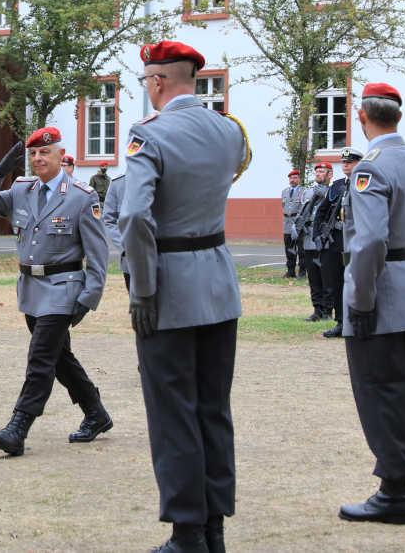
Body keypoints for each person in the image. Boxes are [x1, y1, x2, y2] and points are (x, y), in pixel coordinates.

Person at [120, 41, 248, 553]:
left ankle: (187, 533)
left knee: (173, 411)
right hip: (217, 281)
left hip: (169, 287)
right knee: (213, 409)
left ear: (156, 83)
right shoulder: (228, 131)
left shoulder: (147, 134)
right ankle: (214, 527)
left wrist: (143, 289)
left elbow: (133, 217)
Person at [0, 127, 112, 457]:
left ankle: (18, 427)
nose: (37, 159)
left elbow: (98, 252)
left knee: (40, 358)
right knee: (58, 358)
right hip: (32, 290)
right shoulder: (21, 190)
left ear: (60, 155)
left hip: (64, 289)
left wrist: (90, 296)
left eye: (44, 153)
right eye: (33, 154)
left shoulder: (80, 195)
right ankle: (96, 413)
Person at [337, 83, 405, 525]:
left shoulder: (371, 169)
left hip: (377, 295)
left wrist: (360, 300)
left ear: (362, 118)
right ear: (397, 116)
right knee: (404, 391)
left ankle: (395, 493)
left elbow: (370, 241)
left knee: (379, 393)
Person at [315, 148, 362, 338]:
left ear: (359, 163)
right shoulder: (337, 185)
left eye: (350, 162)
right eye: (344, 162)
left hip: (356, 240)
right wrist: (317, 235)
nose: (346, 165)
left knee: (357, 282)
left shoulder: (363, 184)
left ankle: (356, 322)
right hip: (336, 240)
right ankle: (341, 322)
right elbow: (322, 211)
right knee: (335, 283)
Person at [295, 162, 333, 321]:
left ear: (330, 174)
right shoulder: (307, 193)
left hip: (324, 240)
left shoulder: (334, 191)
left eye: (322, 171)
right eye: (316, 171)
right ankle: (317, 309)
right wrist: (296, 225)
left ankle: (327, 310)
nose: (318, 174)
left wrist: (325, 195)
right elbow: (302, 211)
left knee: (326, 276)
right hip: (309, 238)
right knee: (314, 277)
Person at [102, 174, 128, 290]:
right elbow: (108, 219)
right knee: (137, 303)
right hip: (130, 258)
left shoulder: (163, 180)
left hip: (160, 257)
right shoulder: (118, 184)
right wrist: (124, 246)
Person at [281, 169, 303, 278]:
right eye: (291, 178)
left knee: (301, 249)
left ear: (299, 179)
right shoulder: (284, 191)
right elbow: (284, 206)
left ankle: (302, 271)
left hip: (298, 223)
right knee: (289, 248)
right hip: (287, 223)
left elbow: (304, 207)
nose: (292, 180)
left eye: (295, 178)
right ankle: (290, 271)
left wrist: (298, 221)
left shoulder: (303, 191)